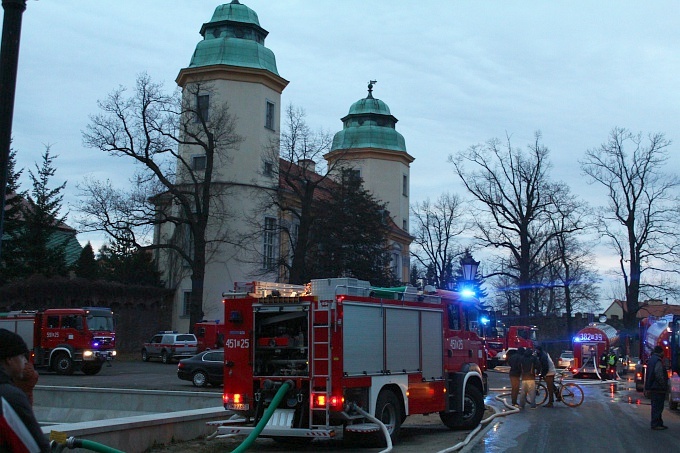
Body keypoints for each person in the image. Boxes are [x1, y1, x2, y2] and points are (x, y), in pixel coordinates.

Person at [0, 329, 50, 452]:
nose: (25, 361)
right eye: (22, 356)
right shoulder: (9, 398)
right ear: (9, 359)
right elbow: (34, 447)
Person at [644, 345, 669, 430]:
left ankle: (659, 422)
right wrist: (663, 384)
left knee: (656, 406)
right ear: (660, 352)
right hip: (658, 388)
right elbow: (658, 374)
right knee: (658, 406)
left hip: (653, 387)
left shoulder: (652, 360)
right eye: (663, 352)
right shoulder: (658, 361)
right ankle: (656, 424)